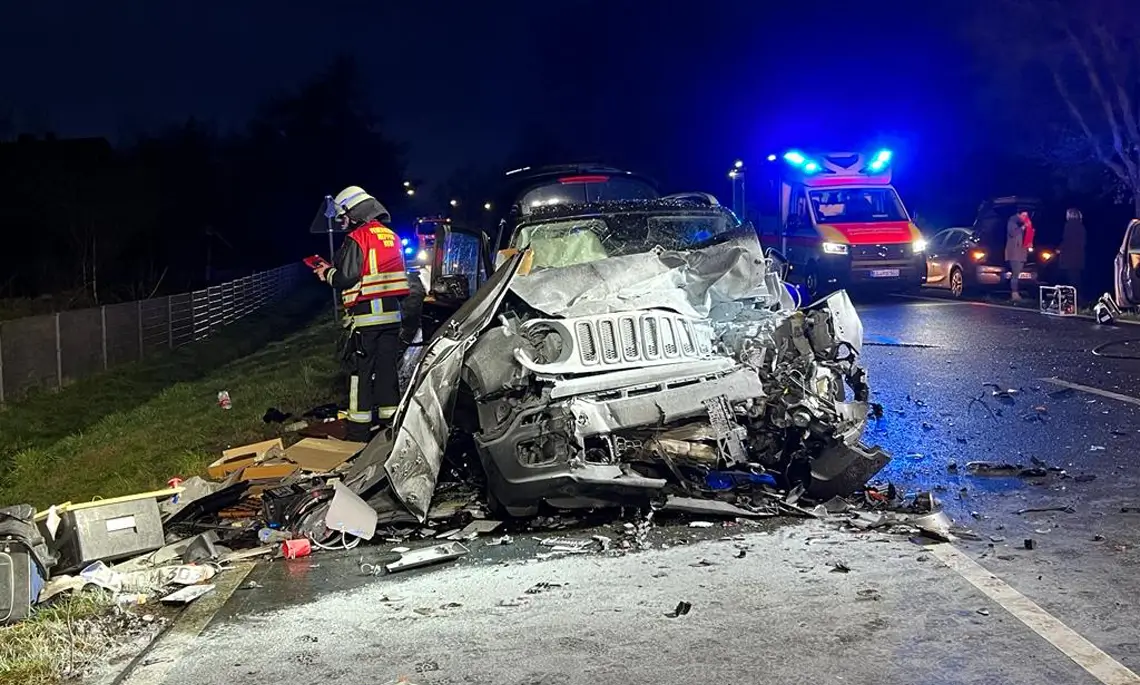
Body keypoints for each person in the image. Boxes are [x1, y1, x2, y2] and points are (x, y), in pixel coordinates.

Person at [312, 186, 424, 442]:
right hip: (392, 316)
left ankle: (358, 431)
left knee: (359, 374)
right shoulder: (391, 236)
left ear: (353, 212)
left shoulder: (358, 238)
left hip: (365, 318)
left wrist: (326, 273)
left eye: (343, 216)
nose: (342, 222)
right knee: (387, 371)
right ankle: (391, 426)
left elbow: (347, 277)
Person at [1060, 208, 1086, 292]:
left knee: (1071, 278)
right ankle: (1078, 296)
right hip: (1078, 256)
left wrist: (1060, 248)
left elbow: (1066, 240)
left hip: (1069, 256)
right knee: (1076, 277)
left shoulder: (1069, 225)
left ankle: (1073, 297)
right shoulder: (1081, 226)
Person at [1006, 210, 1030, 301]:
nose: (1025, 217)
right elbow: (1013, 233)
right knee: (1015, 273)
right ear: (1019, 214)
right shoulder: (1012, 221)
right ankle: (1014, 294)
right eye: (1024, 215)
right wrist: (1023, 227)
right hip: (1014, 253)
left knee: (1017, 273)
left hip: (1020, 253)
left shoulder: (1019, 222)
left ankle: (1016, 293)